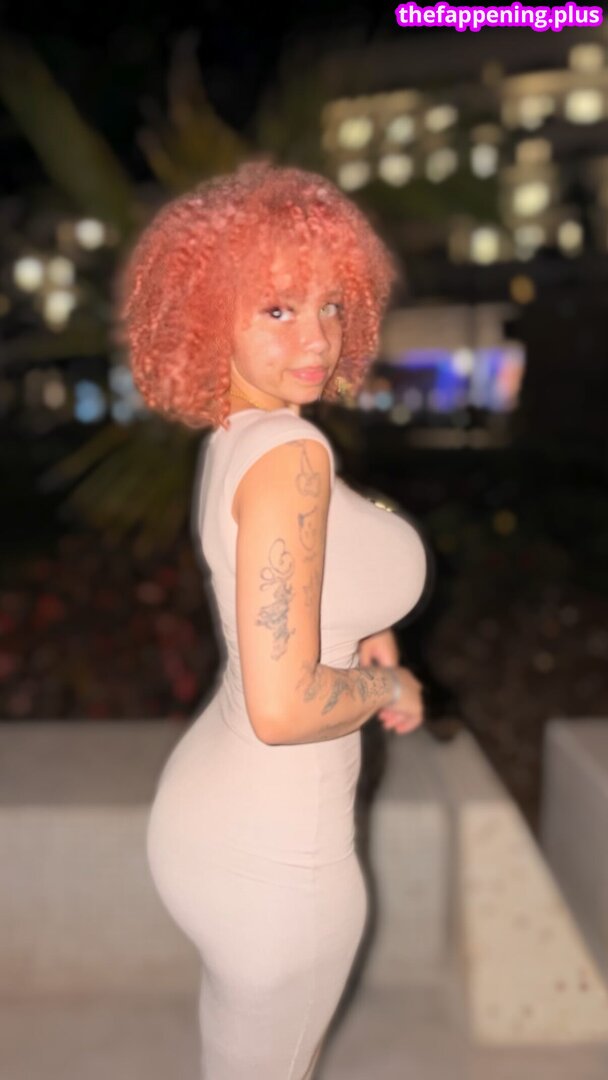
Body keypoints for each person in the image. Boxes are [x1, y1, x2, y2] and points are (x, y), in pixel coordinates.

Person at [114, 160, 427, 1079]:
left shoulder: (240, 432)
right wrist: (388, 684)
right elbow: (284, 710)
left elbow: (298, 577)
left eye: (331, 305)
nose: (318, 337)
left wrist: (366, 623)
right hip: (279, 858)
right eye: (278, 309)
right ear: (209, 316)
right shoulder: (291, 453)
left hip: (217, 819)